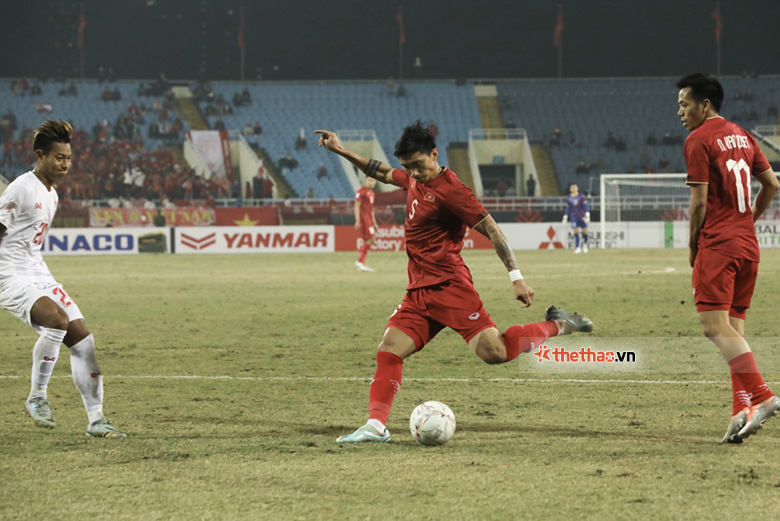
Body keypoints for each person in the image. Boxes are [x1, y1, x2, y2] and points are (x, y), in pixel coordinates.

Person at [316, 122, 593, 443]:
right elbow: (380, 171)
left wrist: (516, 277)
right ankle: (376, 426)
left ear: (435, 154)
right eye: (409, 167)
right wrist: (340, 150)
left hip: (450, 287)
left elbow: (492, 230)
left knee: (496, 353)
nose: (414, 173)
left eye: (419, 165)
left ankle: (559, 325)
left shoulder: (453, 191)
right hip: (418, 292)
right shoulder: (414, 179)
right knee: (389, 350)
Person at [0, 120, 126, 437]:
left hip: (36, 269)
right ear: (40, 156)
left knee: (83, 339)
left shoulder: (52, 195)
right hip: (7, 271)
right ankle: (37, 397)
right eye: (59, 158)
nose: (66, 164)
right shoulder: (21, 187)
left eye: (69, 158)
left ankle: (97, 419)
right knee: (56, 321)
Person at [677, 73, 780, 443]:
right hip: (747, 245)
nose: (680, 112)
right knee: (734, 331)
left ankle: (763, 396)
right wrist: (747, 219)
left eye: (685, 104)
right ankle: (741, 407)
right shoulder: (743, 135)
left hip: (719, 246)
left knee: (713, 327)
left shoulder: (699, 139)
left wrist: (693, 245)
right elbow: (772, 184)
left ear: (705, 105)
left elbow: (699, 201)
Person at [353, 176, 379, 272]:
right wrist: (357, 220)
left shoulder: (372, 193)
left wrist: (374, 223)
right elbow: (356, 206)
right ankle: (360, 261)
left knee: (367, 241)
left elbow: (370, 210)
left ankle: (361, 264)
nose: (371, 182)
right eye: (369, 180)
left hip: (368, 220)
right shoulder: (361, 192)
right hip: (364, 220)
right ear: (365, 181)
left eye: (373, 180)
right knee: (372, 239)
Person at [562, 183, 590, 253]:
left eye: (575, 187)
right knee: (576, 232)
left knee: (585, 232)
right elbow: (568, 208)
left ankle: (585, 245)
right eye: (572, 188)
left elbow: (586, 205)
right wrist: (566, 215)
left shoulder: (581, 196)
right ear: (570, 189)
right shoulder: (569, 198)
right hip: (574, 217)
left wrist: (587, 213)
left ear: (577, 188)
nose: (574, 189)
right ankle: (578, 247)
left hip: (582, 216)